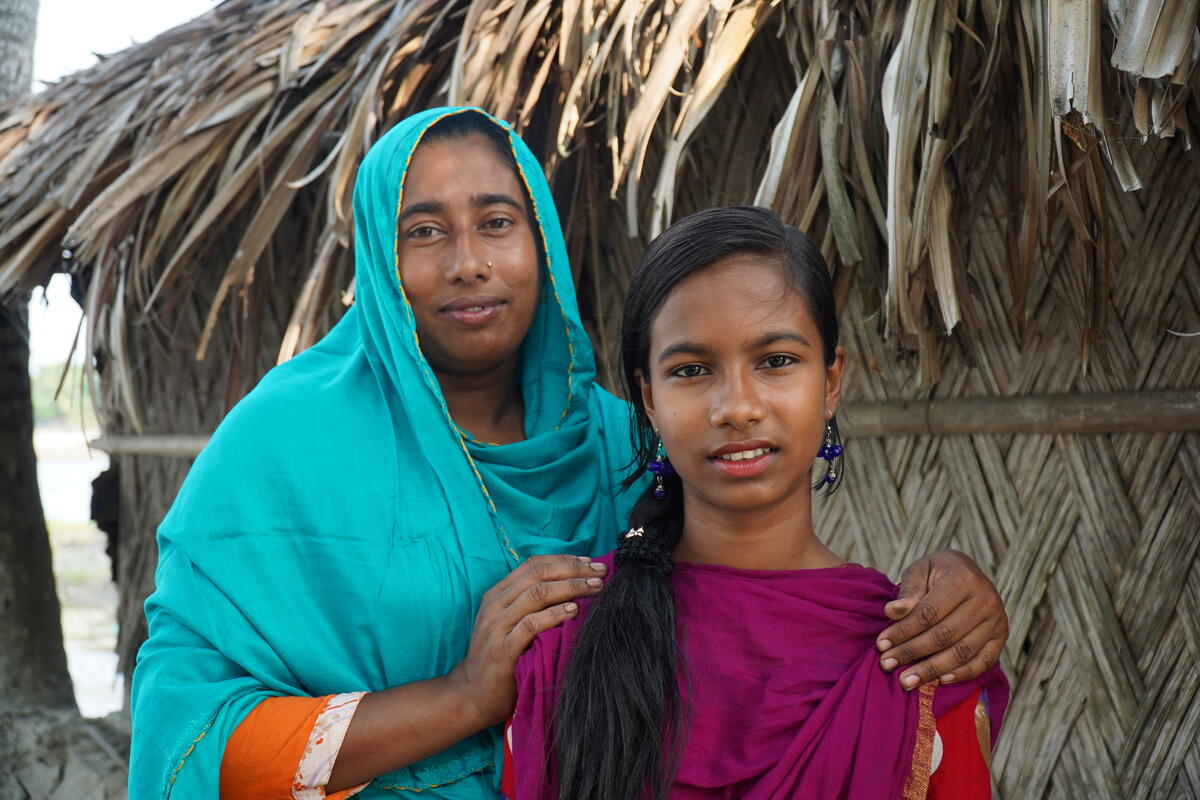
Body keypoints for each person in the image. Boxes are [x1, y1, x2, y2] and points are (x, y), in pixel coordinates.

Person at [128, 108, 1008, 799]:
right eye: (423, 231)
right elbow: (187, 737)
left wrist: (951, 585)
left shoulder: (625, 440)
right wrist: (462, 701)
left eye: (497, 221)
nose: (468, 262)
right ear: (378, 257)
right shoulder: (282, 447)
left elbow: (748, 586)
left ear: (541, 240)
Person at [503, 207, 1008, 800]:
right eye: (692, 369)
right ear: (648, 400)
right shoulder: (568, 643)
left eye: (776, 361)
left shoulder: (920, 651)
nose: (736, 407)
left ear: (831, 381)